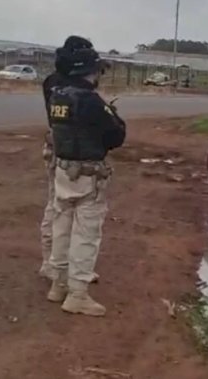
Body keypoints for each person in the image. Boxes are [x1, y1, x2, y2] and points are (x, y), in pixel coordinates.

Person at [46, 40, 126, 317]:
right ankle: (77, 294)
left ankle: (58, 285)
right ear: (89, 71)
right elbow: (117, 136)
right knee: (85, 234)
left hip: (63, 171)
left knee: (61, 228)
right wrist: (113, 113)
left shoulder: (57, 95)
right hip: (88, 174)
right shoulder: (90, 100)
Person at [39, 36, 94, 281]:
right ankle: (56, 266)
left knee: (57, 206)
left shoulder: (52, 82)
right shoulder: (71, 85)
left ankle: (52, 264)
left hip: (55, 146)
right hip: (68, 152)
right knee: (64, 211)